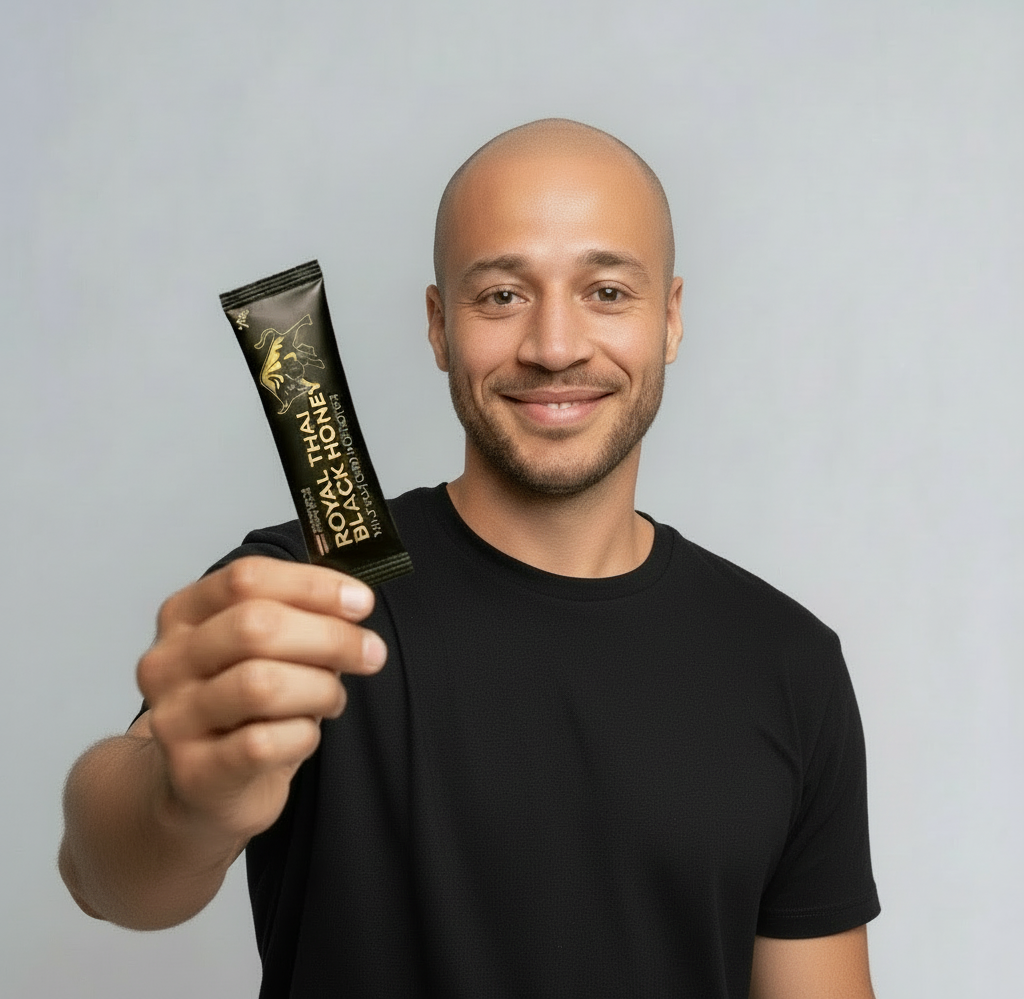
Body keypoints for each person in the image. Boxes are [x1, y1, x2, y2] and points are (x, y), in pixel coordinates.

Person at [60, 119, 880, 997]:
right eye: (501, 295)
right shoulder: (307, 598)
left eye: (607, 291)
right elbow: (106, 878)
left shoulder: (786, 661)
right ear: (439, 325)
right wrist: (183, 804)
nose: (555, 346)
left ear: (670, 318)